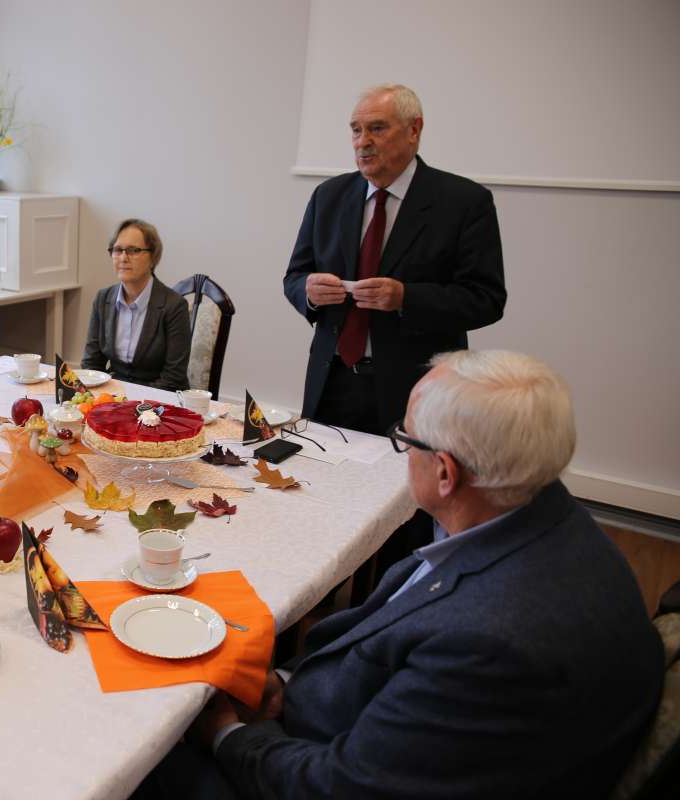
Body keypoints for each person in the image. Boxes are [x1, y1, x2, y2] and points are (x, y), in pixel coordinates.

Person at [135, 350, 663, 799]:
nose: (401, 451)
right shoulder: (546, 518)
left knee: (139, 755)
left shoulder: (491, 645)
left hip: (317, 768)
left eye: (405, 439)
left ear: (445, 473)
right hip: (354, 724)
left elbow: (341, 787)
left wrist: (224, 733)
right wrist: (286, 685)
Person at [283, 84, 506, 436]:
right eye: (356, 130)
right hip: (333, 380)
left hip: (415, 388)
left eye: (377, 128)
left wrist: (405, 298)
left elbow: (486, 299)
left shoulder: (464, 202)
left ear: (414, 130)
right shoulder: (329, 195)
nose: (362, 142)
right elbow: (295, 276)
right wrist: (308, 291)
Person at [81, 219, 191, 390]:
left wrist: (131, 400)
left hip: (159, 398)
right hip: (114, 396)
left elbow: (173, 378)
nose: (123, 258)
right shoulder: (103, 299)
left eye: (133, 250)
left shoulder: (175, 306)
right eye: (118, 250)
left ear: (153, 257)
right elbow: (91, 365)